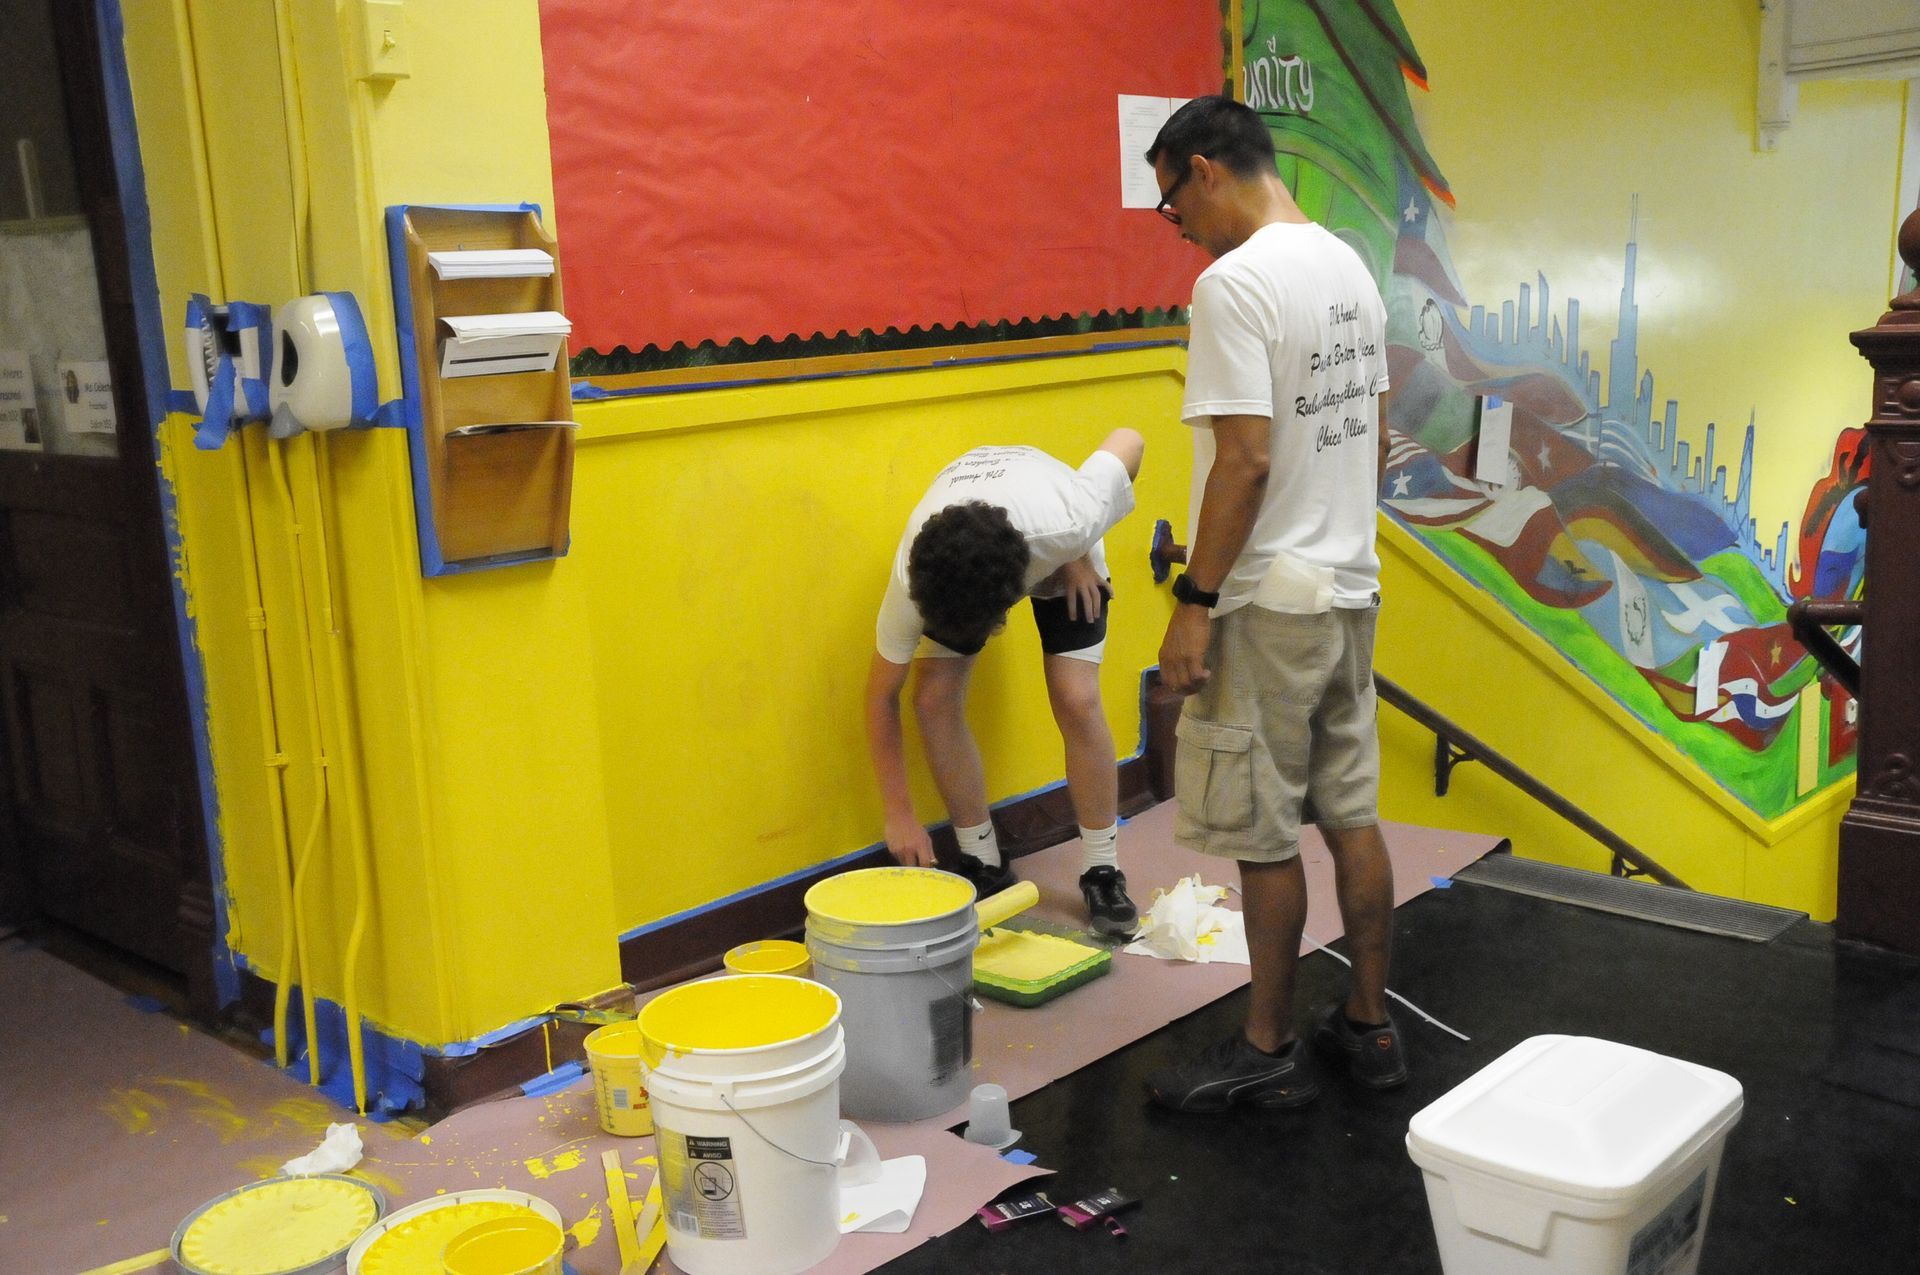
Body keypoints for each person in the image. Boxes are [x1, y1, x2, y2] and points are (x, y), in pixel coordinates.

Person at [1141, 96, 1405, 1112]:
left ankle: (1266, 1049)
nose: (1180, 229)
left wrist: (1194, 600)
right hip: (1349, 582)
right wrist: (1338, 530)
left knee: (1261, 832)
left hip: (1269, 597)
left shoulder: (1233, 287)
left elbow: (1244, 461)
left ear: (1204, 170)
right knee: (1350, 812)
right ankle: (1370, 1030)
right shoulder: (1346, 265)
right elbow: (1374, 437)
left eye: (1172, 205)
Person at [865, 433, 1146, 936]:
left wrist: (1077, 551)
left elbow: (1130, 441)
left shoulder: (1068, 519)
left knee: (1076, 697)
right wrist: (899, 814)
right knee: (932, 698)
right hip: (979, 537)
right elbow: (881, 698)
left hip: (1056, 537)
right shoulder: (913, 580)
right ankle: (983, 862)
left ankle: (1103, 870)